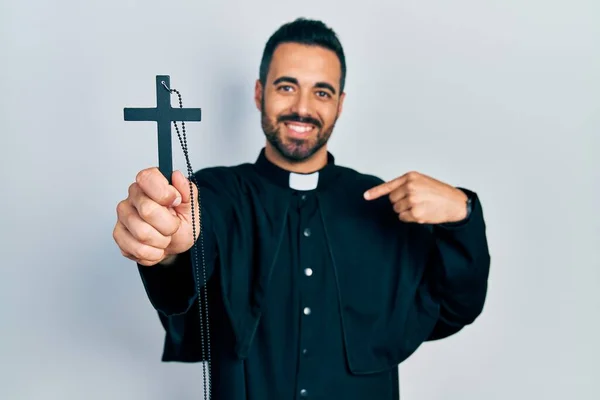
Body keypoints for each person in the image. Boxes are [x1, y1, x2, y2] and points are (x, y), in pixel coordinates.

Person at [113, 17, 491, 400]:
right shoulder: (215, 194)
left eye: (322, 93)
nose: (302, 108)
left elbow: (455, 307)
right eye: (286, 86)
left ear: (340, 105)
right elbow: (185, 269)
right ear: (260, 93)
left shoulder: (382, 204)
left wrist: (463, 216)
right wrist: (169, 252)